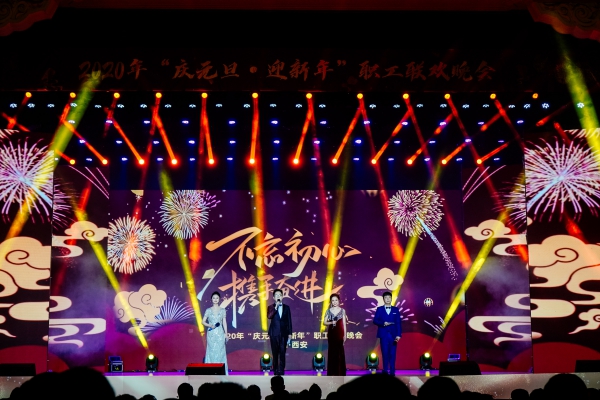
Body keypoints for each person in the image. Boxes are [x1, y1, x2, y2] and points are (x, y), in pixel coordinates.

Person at [373, 291, 402, 376]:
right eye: (386, 298)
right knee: (385, 353)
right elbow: (375, 320)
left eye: (389, 297)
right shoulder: (380, 309)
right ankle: (385, 370)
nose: (388, 299)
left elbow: (398, 323)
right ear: (383, 299)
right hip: (384, 335)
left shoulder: (395, 309)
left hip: (393, 335)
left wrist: (398, 335)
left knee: (392, 354)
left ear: (391, 299)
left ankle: (392, 372)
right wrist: (383, 323)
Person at [202, 291, 229, 373]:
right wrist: (210, 325)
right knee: (211, 351)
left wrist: (226, 334)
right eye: (214, 298)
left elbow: (224, 322)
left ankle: (221, 371)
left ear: (219, 299)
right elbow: (203, 322)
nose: (215, 299)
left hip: (220, 333)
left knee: (220, 351)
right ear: (211, 299)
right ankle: (211, 371)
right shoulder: (208, 310)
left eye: (217, 298)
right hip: (211, 334)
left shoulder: (223, 310)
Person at [267, 288, 293, 375]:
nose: (278, 296)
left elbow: (289, 321)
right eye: (276, 295)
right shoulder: (270, 307)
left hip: (283, 333)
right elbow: (269, 316)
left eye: (280, 295)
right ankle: (275, 370)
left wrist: (290, 334)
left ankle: (281, 370)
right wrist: (276, 307)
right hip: (274, 333)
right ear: (274, 297)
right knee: (275, 352)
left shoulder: (287, 308)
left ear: (282, 297)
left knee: (282, 352)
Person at [322, 293, 346, 376]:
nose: (334, 302)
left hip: (340, 333)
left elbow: (344, 324)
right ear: (331, 302)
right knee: (332, 352)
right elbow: (324, 322)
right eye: (333, 300)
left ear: (339, 301)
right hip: (332, 333)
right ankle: (332, 373)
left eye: (336, 300)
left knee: (340, 352)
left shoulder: (342, 311)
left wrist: (345, 335)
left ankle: (340, 372)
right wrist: (331, 322)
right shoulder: (328, 311)